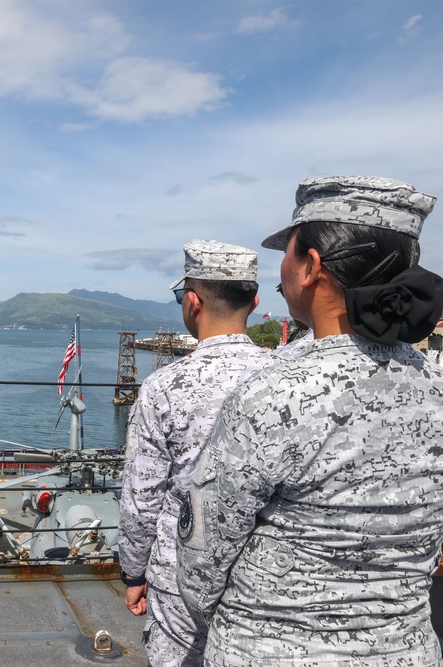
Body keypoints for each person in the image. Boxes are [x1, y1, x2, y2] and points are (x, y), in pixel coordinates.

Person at [177, 176, 443, 666]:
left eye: (288, 253)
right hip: (405, 650)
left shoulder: (272, 393)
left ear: (311, 267)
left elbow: (202, 558)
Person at [119, 240, 275, 666]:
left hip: (180, 571)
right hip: (264, 575)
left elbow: (141, 497)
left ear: (192, 301)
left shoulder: (164, 387)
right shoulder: (286, 377)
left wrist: (134, 571)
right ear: (254, 301)